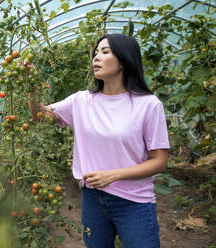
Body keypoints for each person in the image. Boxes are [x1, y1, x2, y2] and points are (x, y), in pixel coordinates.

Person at [28, 33, 170, 248]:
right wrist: (31, 86)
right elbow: (41, 116)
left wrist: (113, 175)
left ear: (124, 60)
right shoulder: (81, 101)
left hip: (134, 202)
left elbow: (159, 161)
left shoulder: (148, 105)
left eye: (105, 52)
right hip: (93, 199)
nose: (96, 57)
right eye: (95, 53)